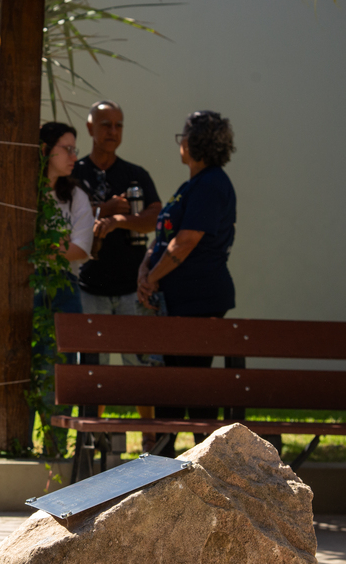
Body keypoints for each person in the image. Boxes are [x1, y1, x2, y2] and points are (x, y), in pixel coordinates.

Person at [137, 111, 237, 456]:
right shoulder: (190, 186)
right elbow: (166, 236)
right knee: (175, 385)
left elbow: (186, 241)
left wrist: (152, 278)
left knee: (194, 387)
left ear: (194, 143)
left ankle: (205, 466)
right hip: (176, 300)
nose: (180, 142)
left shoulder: (211, 184)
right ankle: (165, 464)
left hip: (200, 298)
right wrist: (145, 269)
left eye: (183, 136)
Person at [33, 122, 93, 456]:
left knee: (60, 366)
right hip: (27, 285)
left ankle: (54, 449)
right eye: (66, 149)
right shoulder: (25, 191)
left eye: (74, 149)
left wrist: (45, 245)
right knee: (27, 361)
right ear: (45, 150)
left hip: (64, 285)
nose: (73, 156)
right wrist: (58, 243)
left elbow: (81, 248)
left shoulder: (75, 194)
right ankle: (21, 444)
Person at [73, 101, 161, 324]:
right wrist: (105, 209)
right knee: (91, 349)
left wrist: (119, 221)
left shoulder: (136, 174)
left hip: (133, 289)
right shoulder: (74, 173)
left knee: (136, 348)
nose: (113, 131)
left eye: (118, 125)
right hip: (88, 287)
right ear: (90, 128)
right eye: (106, 125)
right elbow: (65, 221)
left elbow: (155, 219)